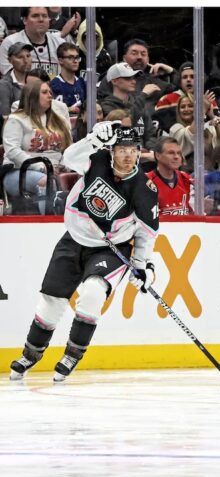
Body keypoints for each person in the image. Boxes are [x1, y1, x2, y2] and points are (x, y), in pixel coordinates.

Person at [9, 122, 159, 382]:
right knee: (51, 300)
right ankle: (31, 353)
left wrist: (142, 265)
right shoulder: (98, 159)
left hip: (110, 249)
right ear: (112, 150)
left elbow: (146, 233)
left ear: (138, 152)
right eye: (121, 149)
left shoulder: (144, 190)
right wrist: (92, 139)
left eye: (133, 150)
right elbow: (69, 158)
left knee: (92, 293)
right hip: (74, 239)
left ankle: (73, 353)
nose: (127, 155)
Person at [2, 80, 72, 213]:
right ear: (32, 96)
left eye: (50, 92)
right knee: (45, 181)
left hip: (54, 170)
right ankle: (47, 220)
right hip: (19, 172)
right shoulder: (16, 119)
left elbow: (68, 148)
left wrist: (64, 165)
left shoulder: (58, 120)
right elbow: (12, 151)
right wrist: (42, 167)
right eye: (45, 92)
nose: (50, 96)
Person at [100, 62, 158, 160]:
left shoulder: (139, 103)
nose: (133, 81)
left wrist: (152, 150)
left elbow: (150, 134)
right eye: (128, 78)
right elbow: (127, 118)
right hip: (122, 160)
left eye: (134, 77)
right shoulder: (106, 106)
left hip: (146, 159)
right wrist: (143, 95)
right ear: (114, 81)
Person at [0, 7, 73, 78]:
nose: (41, 19)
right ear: (25, 20)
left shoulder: (60, 44)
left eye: (44, 16)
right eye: (35, 16)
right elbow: (11, 79)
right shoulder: (10, 43)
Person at [146, 136, 194, 216]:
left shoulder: (186, 179)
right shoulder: (146, 181)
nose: (176, 157)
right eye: (171, 153)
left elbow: (195, 214)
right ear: (158, 156)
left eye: (179, 153)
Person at [50, 42, 86, 114]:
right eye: (70, 57)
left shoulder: (82, 83)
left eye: (77, 57)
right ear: (60, 60)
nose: (75, 61)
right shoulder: (53, 85)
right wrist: (67, 109)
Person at [0, 42, 33, 118]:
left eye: (28, 56)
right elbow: (5, 116)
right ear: (10, 60)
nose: (26, 60)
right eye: (20, 57)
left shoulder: (36, 80)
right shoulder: (4, 85)